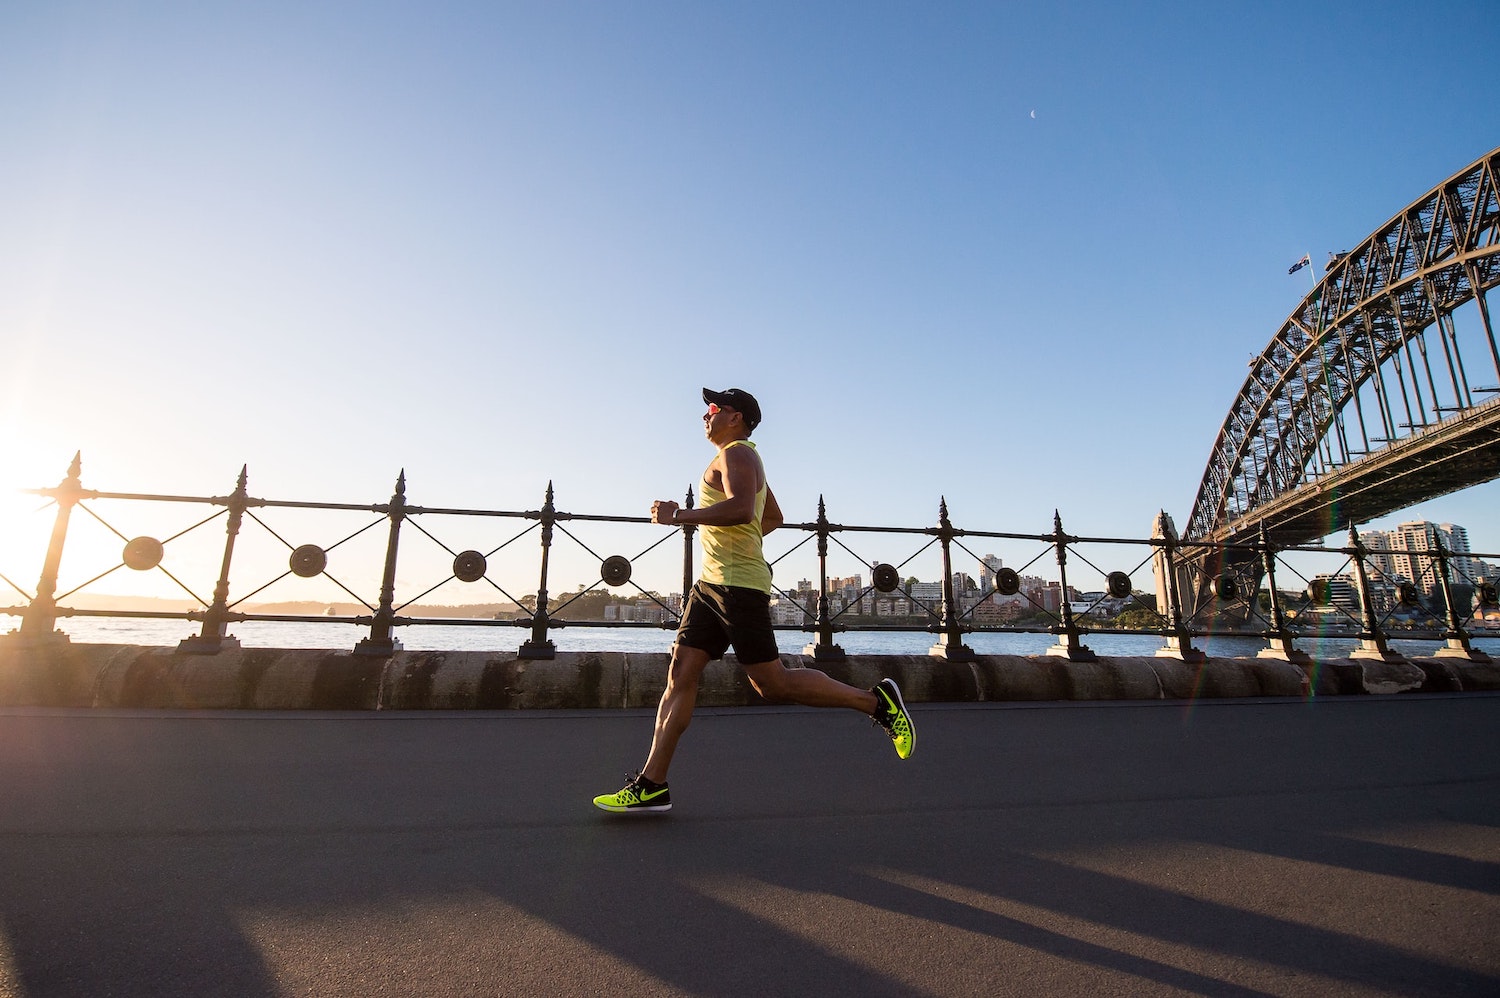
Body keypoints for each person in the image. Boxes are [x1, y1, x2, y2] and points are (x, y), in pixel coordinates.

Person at [593, 387, 915, 814]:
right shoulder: (736, 457)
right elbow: (772, 517)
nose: (704, 416)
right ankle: (652, 784)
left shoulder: (738, 455)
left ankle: (877, 702)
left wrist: (681, 516)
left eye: (713, 408)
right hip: (710, 586)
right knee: (680, 672)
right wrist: (735, 545)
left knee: (772, 683)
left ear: (736, 417)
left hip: (737, 587)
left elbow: (744, 510)